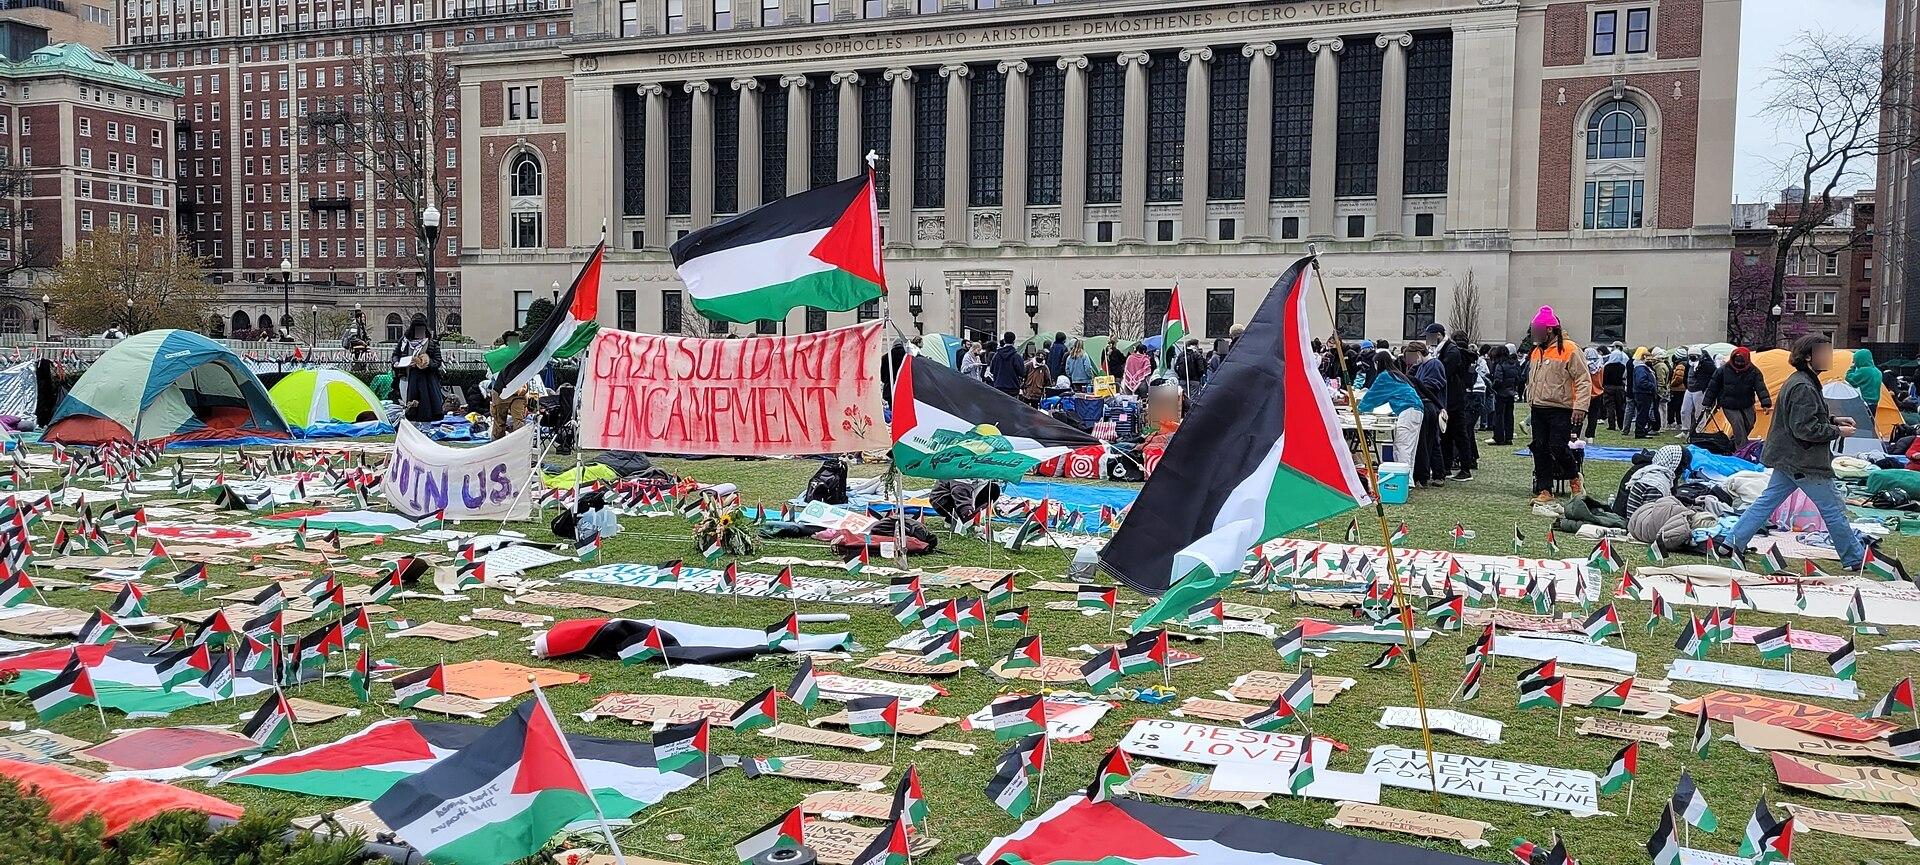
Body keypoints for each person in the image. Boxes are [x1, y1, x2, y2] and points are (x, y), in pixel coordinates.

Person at [1717, 335, 1871, 571]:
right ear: (1808, 357)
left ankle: (1730, 543)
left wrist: (1832, 420)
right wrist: (1836, 430)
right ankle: (1854, 559)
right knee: (1834, 509)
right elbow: (1803, 428)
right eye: (1823, 353)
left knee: (1766, 502)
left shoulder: (1804, 381)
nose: (1828, 357)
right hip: (1802, 461)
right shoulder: (1802, 385)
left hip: (1789, 458)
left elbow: (1803, 418)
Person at [1524, 306, 1592, 504]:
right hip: (1538, 407)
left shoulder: (1570, 349)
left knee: (1558, 447)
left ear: (1549, 330)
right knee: (1539, 447)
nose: (1534, 333)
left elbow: (1583, 379)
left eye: (1537, 329)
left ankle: (1574, 478)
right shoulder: (1537, 351)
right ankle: (1545, 489)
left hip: (1561, 408)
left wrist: (1580, 406)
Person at [1358, 348, 1424, 474]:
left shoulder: (1384, 376)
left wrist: (1358, 409)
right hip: (1416, 410)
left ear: (1378, 363)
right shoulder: (1396, 374)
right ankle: (1407, 479)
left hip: (1408, 410)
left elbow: (1372, 395)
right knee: (1410, 448)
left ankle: (1403, 478)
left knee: (1402, 447)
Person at [1423, 324, 1472, 480]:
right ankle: (1446, 466)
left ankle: (1465, 468)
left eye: (1429, 336)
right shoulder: (1442, 349)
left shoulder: (1451, 350)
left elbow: (1443, 372)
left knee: (1459, 433)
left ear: (1438, 335)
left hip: (1454, 398)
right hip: (1446, 398)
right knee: (1445, 433)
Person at [1704, 346, 1772, 446]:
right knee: (1738, 425)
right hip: (1729, 404)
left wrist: (1765, 403)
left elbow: (1761, 387)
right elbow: (1712, 387)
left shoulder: (1754, 371)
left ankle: (1734, 442)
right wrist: (1707, 403)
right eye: (1737, 362)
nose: (1739, 364)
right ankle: (1741, 449)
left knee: (1750, 424)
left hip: (1747, 403)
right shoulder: (1722, 370)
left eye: (1741, 363)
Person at [1407, 341, 1449, 488]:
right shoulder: (1422, 366)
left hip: (1431, 406)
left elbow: (1432, 385)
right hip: (1428, 405)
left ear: (1418, 354)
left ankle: (1433, 474)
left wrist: (1416, 384)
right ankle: (1437, 474)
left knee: (1429, 442)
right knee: (1431, 442)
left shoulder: (1434, 365)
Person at [393, 320, 443, 423]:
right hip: (405, 376)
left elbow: (437, 362)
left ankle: (423, 427)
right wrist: (397, 363)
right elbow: (395, 355)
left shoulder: (431, 343)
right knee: (409, 404)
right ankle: (411, 425)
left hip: (426, 380)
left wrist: (426, 363)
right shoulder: (404, 342)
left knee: (425, 404)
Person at [1486, 344, 1522, 446]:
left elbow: (1498, 380)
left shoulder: (1500, 365)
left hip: (1501, 394)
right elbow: (1517, 379)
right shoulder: (1513, 364)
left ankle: (1499, 437)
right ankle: (1509, 437)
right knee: (1509, 416)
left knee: (1499, 416)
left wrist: (1493, 388)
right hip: (1510, 393)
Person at [1679, 348, 1716, 437]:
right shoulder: (1689, 364)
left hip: (1699, 391)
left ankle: (1699, 430)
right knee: (1684, 411)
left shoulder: (1706, 365)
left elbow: (1714, 373)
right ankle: (1685, 430)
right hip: (1689, 389)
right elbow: (1686, 375)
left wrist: (1705, 386)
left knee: (1699, 413)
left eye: (1694, 356)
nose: (1692, 358)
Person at [1630, 350, 1659, 438]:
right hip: (1643, 394)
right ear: (1644, 357)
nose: (1651, 360)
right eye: (1649, 357)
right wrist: (1652, 385)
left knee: (1643, 413)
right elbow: (1641, 381)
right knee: (1642, 413)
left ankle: (1642, 430)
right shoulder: (1641, 368)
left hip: (1644, 393)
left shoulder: (1642, 368)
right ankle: (1640, 432)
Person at [990, 332, 1024, 396]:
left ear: (1004, 340)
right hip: (1013, 388)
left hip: (999, 387)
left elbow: (991, 370)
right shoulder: (1017, 356)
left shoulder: (997, 355)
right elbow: (1022, 372)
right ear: (1014, 341)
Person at [1667, 352, 1689, 427]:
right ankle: (1679, 422)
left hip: (1678, 389)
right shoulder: (1684, 364)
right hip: (1682, 389)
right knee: (1679, 406)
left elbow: (1679, 378)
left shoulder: (1680, 366)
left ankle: (1678, 422)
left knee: (1675, 406)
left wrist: (1671, 384)